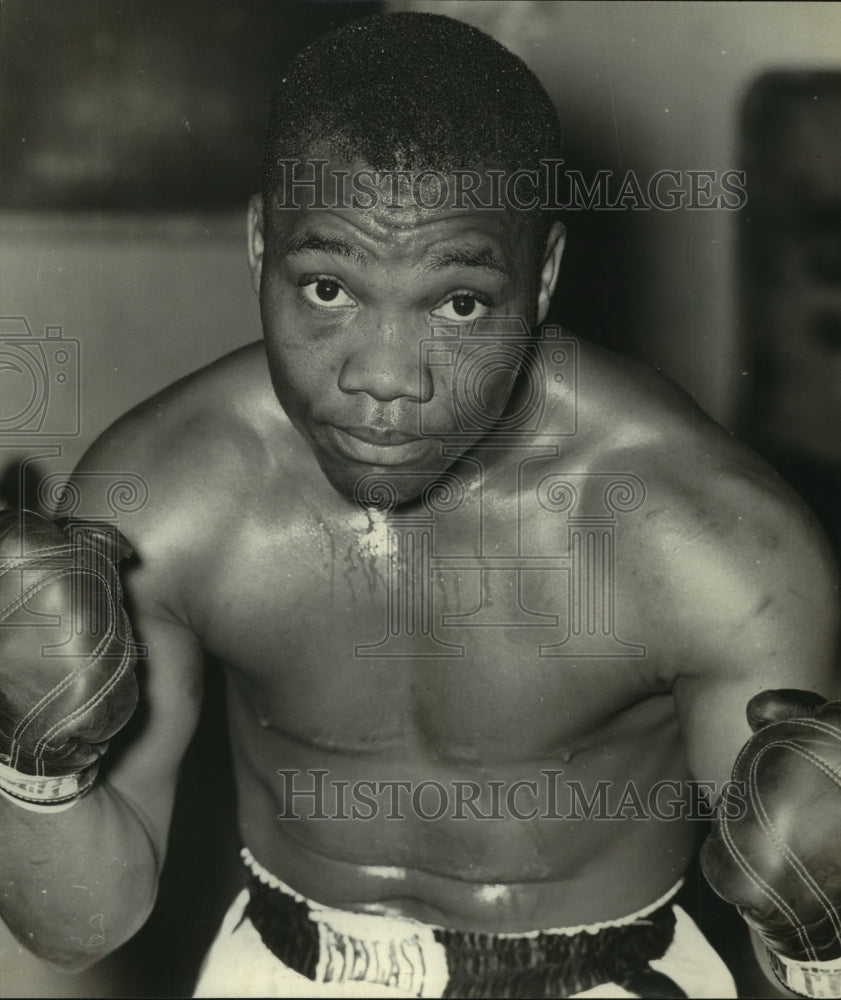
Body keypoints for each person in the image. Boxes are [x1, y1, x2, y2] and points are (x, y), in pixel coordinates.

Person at [0, 11, 839, 998]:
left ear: (543, 278)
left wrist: (817, 937)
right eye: (326, 288)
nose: (386, 379)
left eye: (458, 305)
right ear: (261, 242)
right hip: (273, 969)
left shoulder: (707, 539)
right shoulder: (170, 498)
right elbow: (80, 927)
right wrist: (32, 763)